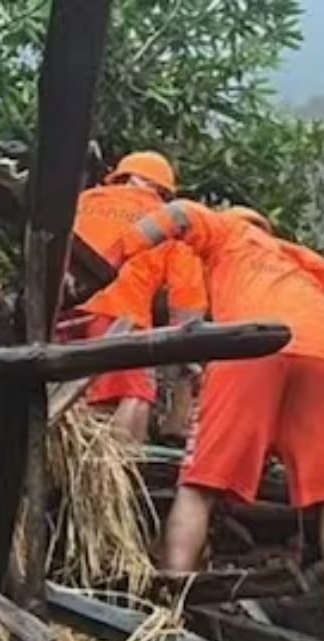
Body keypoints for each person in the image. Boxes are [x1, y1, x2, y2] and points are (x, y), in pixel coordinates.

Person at [110, 199, 324, 635]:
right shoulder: (299, 267)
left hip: (253, 344)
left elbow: (181, 212)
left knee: (200, 481)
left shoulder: (228, 234)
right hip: (323, 357)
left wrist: (112, 255)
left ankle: (171, 603)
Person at [62, 150, 207, 439]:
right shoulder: (167, 220)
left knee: (67, 394)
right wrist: (188, 352)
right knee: (134, 394)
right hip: (121, 314)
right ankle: (119, 473)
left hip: (63, 309)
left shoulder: (84, 201)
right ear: (162, 190)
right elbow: (186, 295)